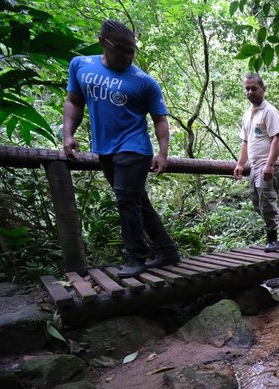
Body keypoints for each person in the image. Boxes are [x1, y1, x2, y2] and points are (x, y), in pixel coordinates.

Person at [63, 20, 180, 278]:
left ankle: (136, 256)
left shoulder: (144, 82)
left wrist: (162, 153)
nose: (127, 56)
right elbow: (73, 101)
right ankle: (167, 250)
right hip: (105, 148)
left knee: (126, 200)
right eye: (121, 49)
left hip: (135, 147)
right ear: (103, 41)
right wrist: (68, 134)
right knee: (138, 201)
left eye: (132, 51)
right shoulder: (81, 65)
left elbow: (160, 119)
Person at [234, 73, 279, 253]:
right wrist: (240, 164)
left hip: (271, 165)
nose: (250, 92)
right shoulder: (247, 114)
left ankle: (272, 239)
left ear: (263, 89)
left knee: (267, 203)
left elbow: (277, 139)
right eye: (247, 88)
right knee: (258, 204)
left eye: (254, 88)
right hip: (255, 166)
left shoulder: (269, 111)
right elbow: (246, 142)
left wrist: (270, 164)